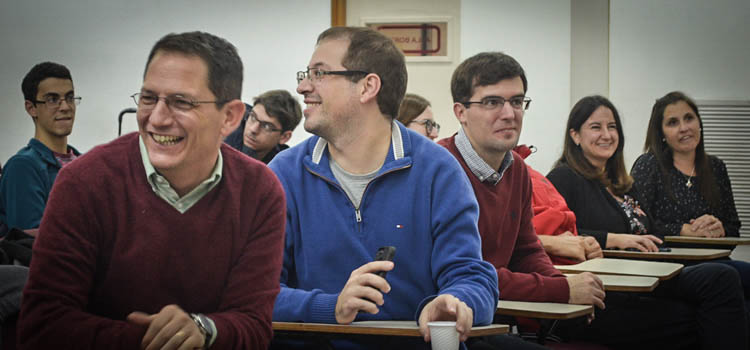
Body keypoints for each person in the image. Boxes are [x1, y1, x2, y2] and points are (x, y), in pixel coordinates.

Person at [18, 31, 286, 349]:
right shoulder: (83, 183)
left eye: (181, 102)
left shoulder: (259, 192)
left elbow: (254, 324)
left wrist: (203, 329)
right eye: (148, 99)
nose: (156, 119)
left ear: (229, 117)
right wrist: (161, 340)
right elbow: (42, 326)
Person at [269, 27, 499, 349]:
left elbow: (473, 277)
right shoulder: (284, 174)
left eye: (319, 73)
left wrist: (456, 301)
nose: (302, 86)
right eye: (307, 74)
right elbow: (255, 292)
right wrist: (331, 307)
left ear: (368, 86)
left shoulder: (438, 170)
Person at [546, 94, 748, 349]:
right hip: (613, 288)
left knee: (729, 281)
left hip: (651, 273)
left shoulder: (622, 184)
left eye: (612, 127)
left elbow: (653, 231)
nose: (606, 135)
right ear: (575, 136)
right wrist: (615, 239)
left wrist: (699, 228)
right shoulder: (564, 177)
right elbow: (554, 238)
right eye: (595, 127)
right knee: (720, 281)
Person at [631, 91, 750, 296]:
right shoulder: (648, 165)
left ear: (699, 123)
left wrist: (719, 229)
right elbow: (636, 226)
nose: (684, 128)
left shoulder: (716, 167)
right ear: (661, 133)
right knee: (729, 277)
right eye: (673, 122)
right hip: (667, 264)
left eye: (689, 118)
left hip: (714, 261)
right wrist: (682, 230)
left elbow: (734, 229)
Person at [0, 62, 81, 232]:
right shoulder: (23, 168)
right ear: (31, 108)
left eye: (69, 97)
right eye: (52, 99)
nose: (65, 107)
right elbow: (29, 243)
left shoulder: (88, 165)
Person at [225, 89, 302, 163]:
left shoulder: (284, 165)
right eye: (253, 117)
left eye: (267, 126)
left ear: (284, 137)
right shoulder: (221, 137)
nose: (253, 129)